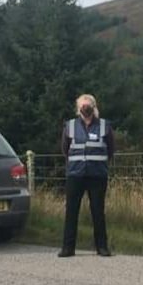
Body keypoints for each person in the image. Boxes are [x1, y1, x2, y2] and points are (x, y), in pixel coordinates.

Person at [58, 94, 115, 258]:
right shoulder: (69, 126)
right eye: (82, 105)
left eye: (88, 104)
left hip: (97, 175)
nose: (85, 107)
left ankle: (102, 247)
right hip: (75, 174)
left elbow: (111, 149)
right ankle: (67, 248)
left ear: (94, 106)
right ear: (78, 108)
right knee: (71, 211)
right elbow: (65, 149)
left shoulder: (104, 126)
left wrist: (100, 163)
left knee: (98, 211)